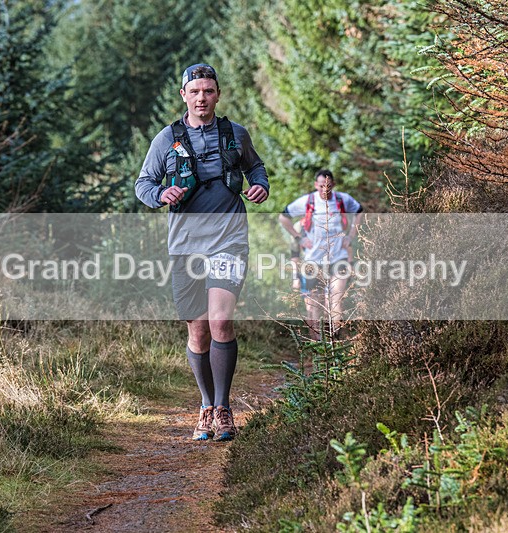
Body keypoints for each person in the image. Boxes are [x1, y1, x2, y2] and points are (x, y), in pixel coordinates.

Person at [135, 63, 268, 441]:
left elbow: (257, 169)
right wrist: (161, 194)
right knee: (198, 330)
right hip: (185, 245)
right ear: (184, 96)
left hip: (228, 239)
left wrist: (260, 187)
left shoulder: (234, 134)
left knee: (220, 322)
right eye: (195, 92)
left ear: (217, 94)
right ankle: (206, 405)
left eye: (208, 91)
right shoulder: (167, 139)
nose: (202, 98)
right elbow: (143, 183)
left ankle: (224, 409)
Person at [278, 169, 363, 340]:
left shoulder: (342, 199)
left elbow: (359, 211)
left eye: (329, 186)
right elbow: (283, 217)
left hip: (338, 258)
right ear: (315, 185)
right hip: (313, 261)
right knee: (313, 304)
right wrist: (299, 238)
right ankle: (316, 345)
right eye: (322, 186)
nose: (325, 190)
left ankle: (334, 344)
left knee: (335, 299)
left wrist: (351, 236)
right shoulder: (307, 202)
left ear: (334, 185)